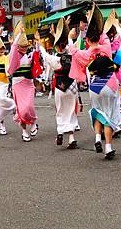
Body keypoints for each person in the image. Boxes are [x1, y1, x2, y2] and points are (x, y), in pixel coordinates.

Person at [69, 6, 121, 160]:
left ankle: (98, 139)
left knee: (98, 113)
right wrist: (95, 20)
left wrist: (71, 37)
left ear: (87, 40)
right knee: (108, 117)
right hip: (110, 84)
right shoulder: (106, 48)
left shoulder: (85, 54)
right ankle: (108, 147)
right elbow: (103, 34)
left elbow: (72, 50)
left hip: (95, 87)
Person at [37, 17, 80, 149]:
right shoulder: (72, 55)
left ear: (56, 47)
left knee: (60, 111)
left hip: (60, 87)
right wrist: (67, 34)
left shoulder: (53, 58)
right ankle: (71, 138)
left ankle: (60, 132)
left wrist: (39, 41)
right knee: (72, 111)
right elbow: (71, 45)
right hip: (72, 86)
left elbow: (43, 53)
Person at [8, 21, 41, 142]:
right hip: (18, 85)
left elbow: (36, 54)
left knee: (29, 107)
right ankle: (24, 131)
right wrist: (18, 35)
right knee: (21, 110)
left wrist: (37, 41)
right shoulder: (14, 55)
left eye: (26, 46)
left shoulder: (28, 55)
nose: (24, 48)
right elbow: (13, 47)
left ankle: (33, 123)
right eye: (22, 46)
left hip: (28, 84)